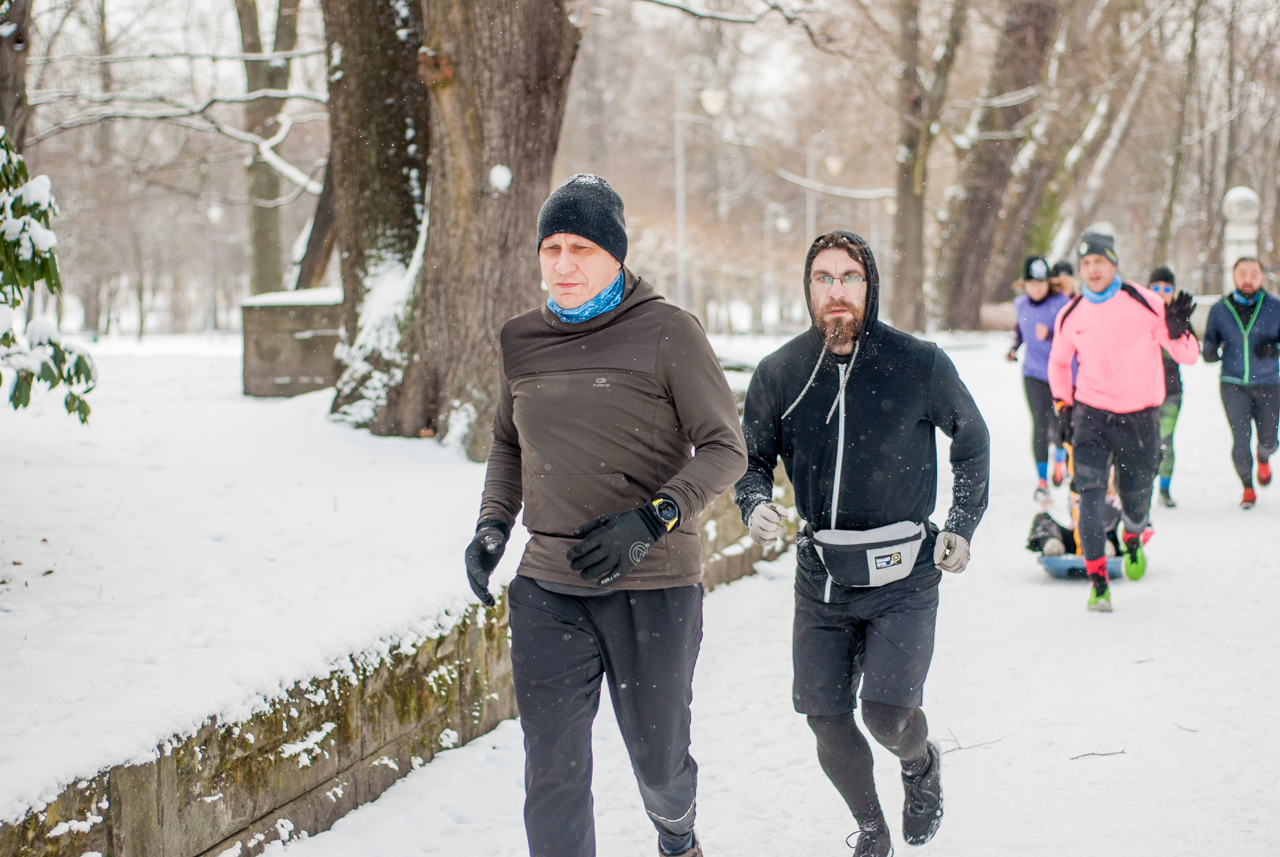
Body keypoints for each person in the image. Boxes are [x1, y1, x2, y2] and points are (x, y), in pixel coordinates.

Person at [465, 174, 747, 857]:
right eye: (552, 247)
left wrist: (652, 519)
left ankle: (677, 835)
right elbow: (509, 440)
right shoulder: (521, 339)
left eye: (582, 248)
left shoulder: (668, 332)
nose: (563, 264)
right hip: (548, 586)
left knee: (660, 764)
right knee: (552, 772)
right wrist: (493, 524)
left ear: (616, 255)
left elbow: (725, 449)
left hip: (653, 587)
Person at [734, 231, 989, 856]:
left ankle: (919, 760)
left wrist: (961, 521)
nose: (837, 291)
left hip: (905, 574)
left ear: (869, 286)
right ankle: (872, 828)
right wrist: (754, 503)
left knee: (886, 716)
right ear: (809, 288)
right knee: (823, 715)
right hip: (822, 574)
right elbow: (749, 461)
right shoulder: (780, 373)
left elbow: (972, 439)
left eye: (850, 277)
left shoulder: (918, 362)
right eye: (824, 278)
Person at [1048, 233, 1198, 611]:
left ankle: (1133, 537)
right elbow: (1059, 362)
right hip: (1092, 417)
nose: (1092, 270)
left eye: (1099, 261)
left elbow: (1188, 355)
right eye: (1085, 264)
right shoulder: (1072, 312)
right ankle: (1098, 582)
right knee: (1090, 499)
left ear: (1114, 264)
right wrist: (1063, 403)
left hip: (1140, 417)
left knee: (1134, 502)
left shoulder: (1143, 301)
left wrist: (1180, 329)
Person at [1202, 256, 1280, 509]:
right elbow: (1211, 341)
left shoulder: (1275, 306)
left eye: (1254, 274)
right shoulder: (1220, 309)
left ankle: (1264, 456)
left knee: (1269, 439)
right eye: (1242, 273)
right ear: (1234, 277)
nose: (1248, 279)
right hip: (1232, 382)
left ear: (1262, 277)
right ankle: (1247, 487)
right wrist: (1210, 352)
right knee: (1240, 438)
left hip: (1269, 382)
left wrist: (1274, 349)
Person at [1007, 255, 1071, 501]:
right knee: (1040, 425)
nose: (1036, 288)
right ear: (1025, 284)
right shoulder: (1020, 304)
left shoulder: (1062, 303)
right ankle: (1042, 481)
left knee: (1060, 423)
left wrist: (1051, 335)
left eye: (1041, 283)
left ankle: (1059, 460)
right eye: (1032, 283)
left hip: (1060, 374)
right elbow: (1021, 329)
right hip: (1032, 373)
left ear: (1048, 283)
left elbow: (1072, 337)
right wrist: (1015, 348)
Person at [1148, 266, 1185, 507]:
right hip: (1142, 392)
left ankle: (1164, 489)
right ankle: (1142, 488)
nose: (1162, 293)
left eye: (1167, 288)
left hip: (1171, 392)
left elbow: (1186, 353)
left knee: (1165, 442)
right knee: (1145, 443)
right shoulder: (1138, 315)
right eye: (1156, 288)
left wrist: (1178, 327)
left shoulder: (1179, 316)